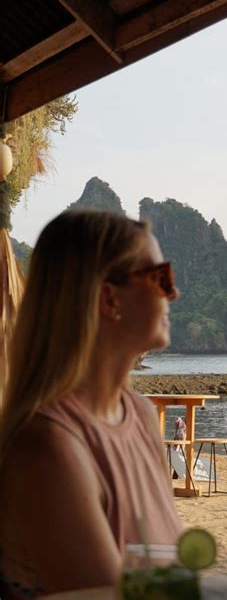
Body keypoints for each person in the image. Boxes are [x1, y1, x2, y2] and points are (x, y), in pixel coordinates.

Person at [0, 210, 183, 598]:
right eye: (161, 278)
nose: (173, 293)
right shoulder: (47, 446)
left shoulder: (142, 415)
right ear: (110, 298)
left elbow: (170, 569)